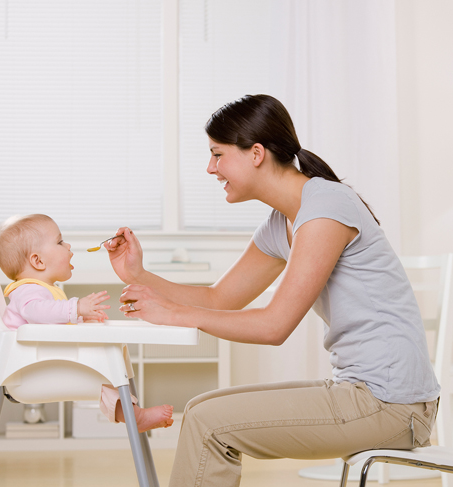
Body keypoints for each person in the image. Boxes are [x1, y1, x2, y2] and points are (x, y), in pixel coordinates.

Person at [104, 94, 440, 487]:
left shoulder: (325, 207)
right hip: (366, 393)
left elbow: (273, 326)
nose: (210, 168)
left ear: (256, 153)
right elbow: (221, 299)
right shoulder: (283, 221)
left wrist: (173, 313)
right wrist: (140, 274)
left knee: (209, 423)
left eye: (217, 154)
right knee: (201, 409)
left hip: (392, 404)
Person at [0, 213, 174, 433]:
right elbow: (37, 313)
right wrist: (75, 308)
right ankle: (135, 417)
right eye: (60, 242)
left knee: (106, 366)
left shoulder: (41, 290)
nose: (68, 245)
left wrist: (78, 318)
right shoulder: (28, 290)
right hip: (29, 373)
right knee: (104, 367)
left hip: (39, 366)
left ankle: (134, 416)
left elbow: (47, 324)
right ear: (38, 261)